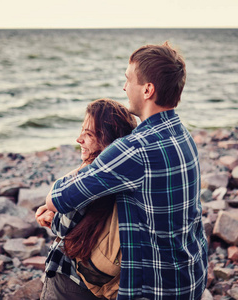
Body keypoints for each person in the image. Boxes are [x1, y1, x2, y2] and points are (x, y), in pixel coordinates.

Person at [46, 42, 208, 299]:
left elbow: (59, 198)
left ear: (147, 89)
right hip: (189, 276)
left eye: (128, 79)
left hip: (156, 288)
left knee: (60, 267)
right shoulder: (182, 136)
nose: (124, 87)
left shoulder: (135, 148)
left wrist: (52, 202)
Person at [36, 98, 137, 300]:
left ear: (107, 140)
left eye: (88, 134)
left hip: (71, 279)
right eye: (82, 130)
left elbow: (62, 228)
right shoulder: (126, 171)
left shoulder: (90, 182)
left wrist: (51, 215)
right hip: (106, 282)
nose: (79, 139)